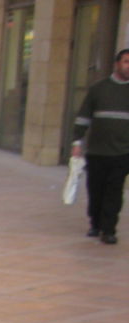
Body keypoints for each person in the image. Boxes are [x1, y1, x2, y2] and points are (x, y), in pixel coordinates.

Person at [70, 47, 129, 246]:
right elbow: (83, 116)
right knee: (96, 190)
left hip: (122, 152)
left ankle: (109, 229)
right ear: (117, 64)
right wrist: (77, 142)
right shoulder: (98, 89)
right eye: (126, 62)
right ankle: (95, 223)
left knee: (114, 191)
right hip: (97, 151)